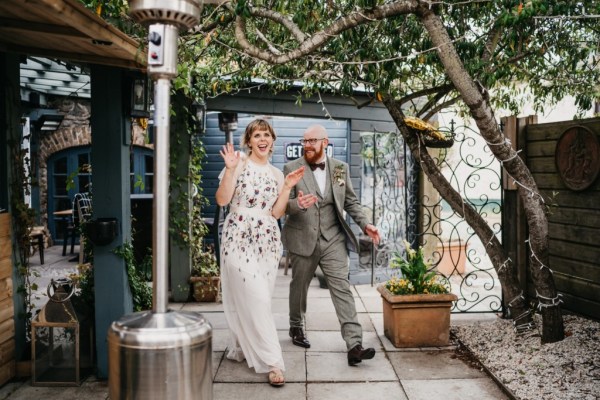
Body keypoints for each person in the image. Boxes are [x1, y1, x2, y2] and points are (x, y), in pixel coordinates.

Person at [215, 119, 305, 387]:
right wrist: (230, 170)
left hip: (267, 241)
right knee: (255, 297)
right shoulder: (238, 162)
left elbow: (276, 213)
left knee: (259, 298)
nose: (262, 139)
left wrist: (287, 187)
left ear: (272, 141)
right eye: (257, 135)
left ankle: (246, 343)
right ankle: (273, 362)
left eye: (267, 135)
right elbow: (222, 200)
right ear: (249, 141)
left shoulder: (277, 174)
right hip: (237, 237)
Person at [282, 124, 381, 366]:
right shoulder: (291, 168)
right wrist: (298, 205)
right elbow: (283, 206)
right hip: (302, 237)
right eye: (304, 141)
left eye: (312, 141)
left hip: (333, 239)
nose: (307, 145)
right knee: (299, 286)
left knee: (342, 288)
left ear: (324, 142)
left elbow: (350, 202)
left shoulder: (339, 169)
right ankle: (296, 327)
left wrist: (366, 224)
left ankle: (354, 344)